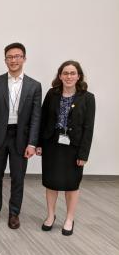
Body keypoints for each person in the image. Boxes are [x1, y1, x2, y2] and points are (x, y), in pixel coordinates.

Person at [0, 42, 42, 229]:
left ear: (24, 58)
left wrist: (32, 143)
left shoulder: (34, 86)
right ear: (5, 60)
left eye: (17, 56)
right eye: (10, 57)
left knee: (18, 178)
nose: (13, 60)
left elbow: (36, 117)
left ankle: (14, 213)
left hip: (21, 138)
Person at [36, 60, 95, 236]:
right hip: (52, 145)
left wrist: (84, 154)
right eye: (65, 73)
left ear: (78, 76)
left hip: (74, 148)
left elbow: (88, 128)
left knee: (71, 185)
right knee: (51, 183)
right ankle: (50, 216)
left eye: (72, 73)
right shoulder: (52, 94)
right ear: (60, 76)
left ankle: (69, 218)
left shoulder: (88, 97)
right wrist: (39, 144)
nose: (69, 76)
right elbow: (43, 119)